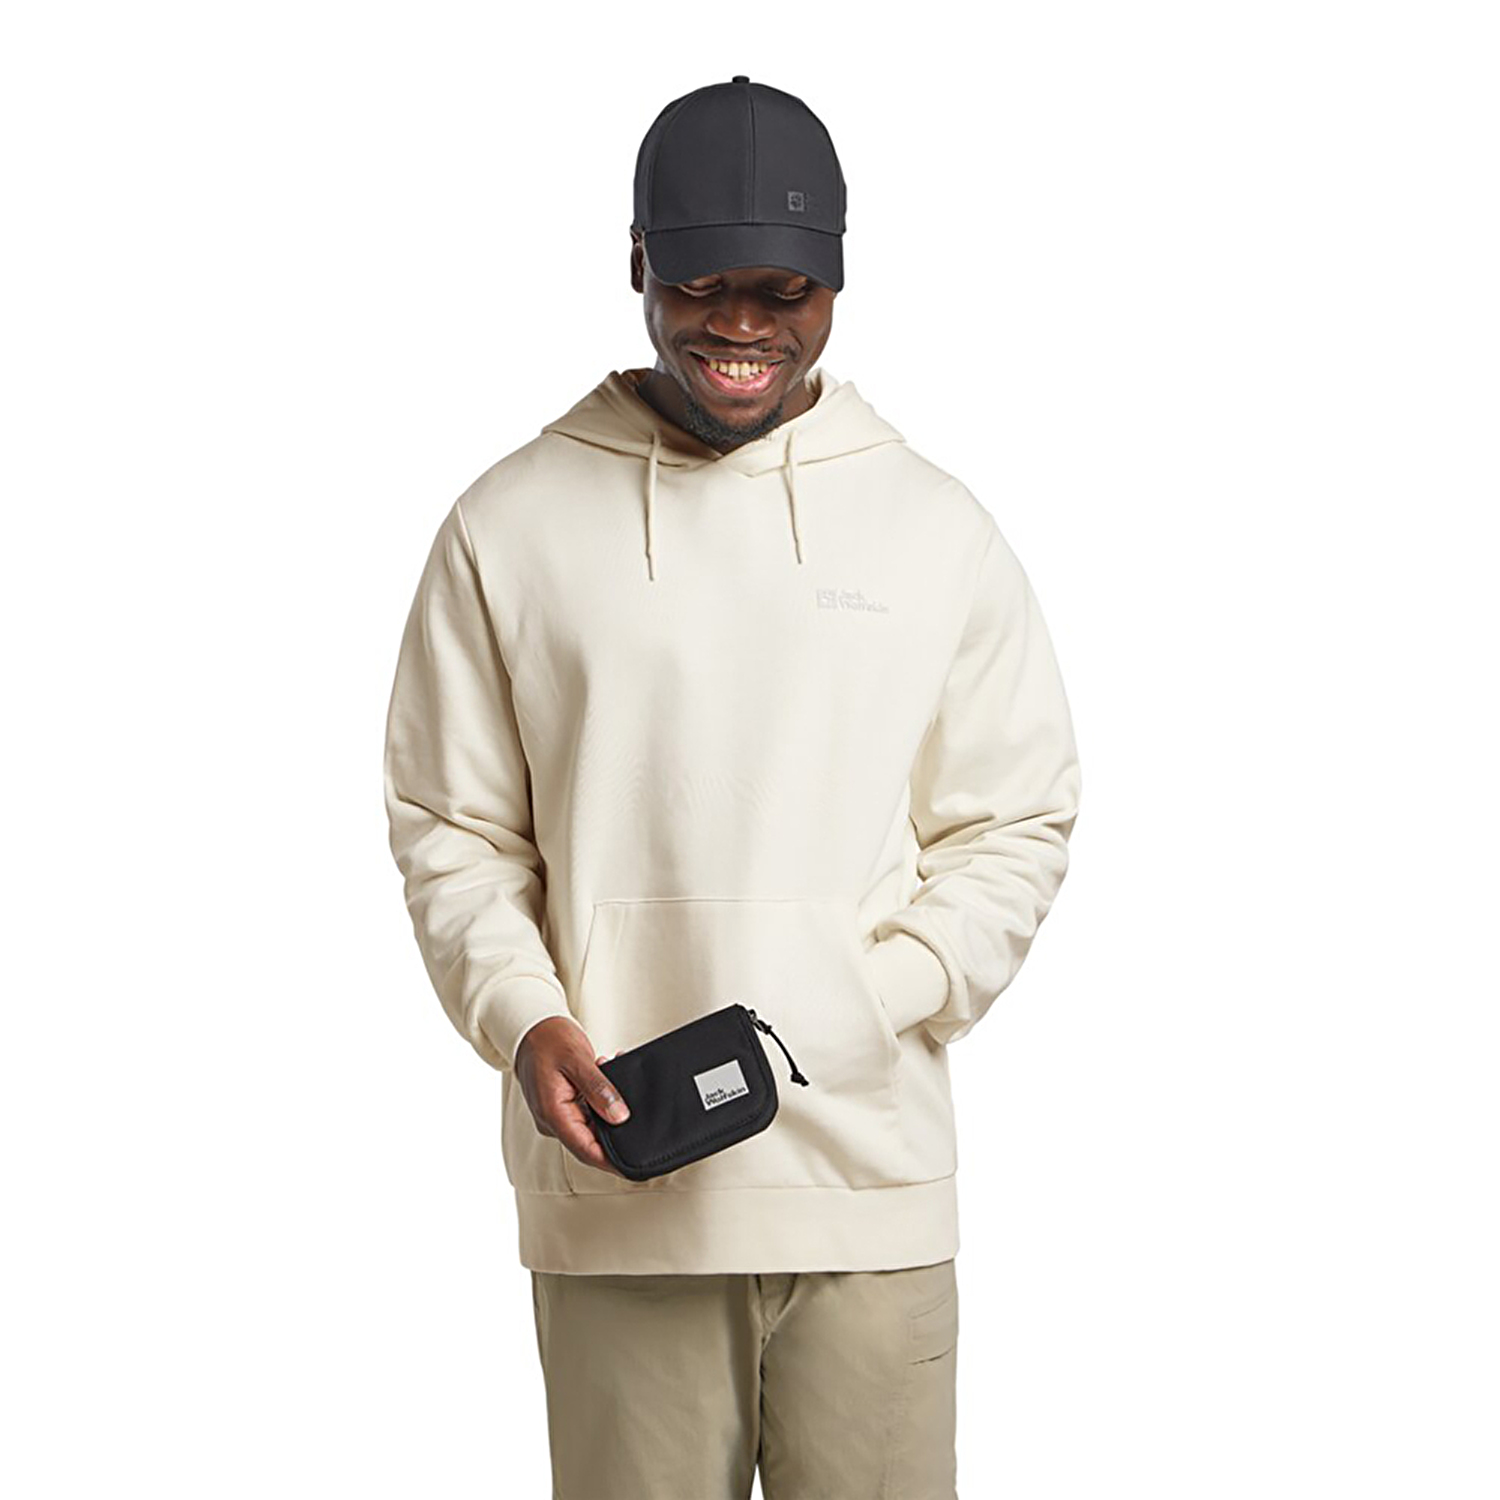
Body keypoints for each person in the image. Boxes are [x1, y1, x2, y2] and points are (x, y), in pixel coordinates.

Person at [382, 74, 1082, 1500]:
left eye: (785, 290)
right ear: (638, 260)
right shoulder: (509, 525)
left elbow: (1014, 821)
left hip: (868, 1184)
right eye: (703, 284)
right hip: (620, 1182)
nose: (744, 326)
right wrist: (521, 1016)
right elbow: (456, 830)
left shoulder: (934, 526)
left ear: (837, 278)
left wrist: (859, 1002)